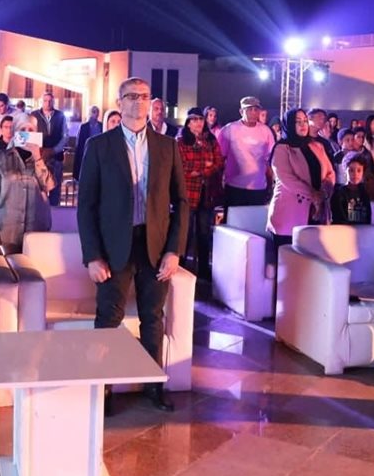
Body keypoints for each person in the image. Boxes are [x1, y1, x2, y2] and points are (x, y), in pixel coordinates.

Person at [76, 76, 188, 415]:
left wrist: (174, 250)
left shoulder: (167, 146)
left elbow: (182, 202)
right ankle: (103, 389)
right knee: (108, 320)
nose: (139, 102)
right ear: (119, 102)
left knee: (153, 318)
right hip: (114, 249)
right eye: (131, 96)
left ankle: (153, 386)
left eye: (144, 96)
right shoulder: (99, 145)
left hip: (155, 247)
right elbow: (86, 206)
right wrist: (92, 256)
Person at [267, 108, 335, 249]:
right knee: (287, 257)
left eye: (305, 121)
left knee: (312, 255)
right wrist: (313, 194)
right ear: (290, 124)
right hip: (289, 212)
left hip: (316, 210)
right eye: (298, 122)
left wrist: (323, 192)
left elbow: (330, 172)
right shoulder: (281, 148)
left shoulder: (317, 145)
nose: (303, 125)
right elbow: (287, 178)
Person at [0, 113, 54, 253]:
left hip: (36, 231)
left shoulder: (44, 158)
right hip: (8, 231)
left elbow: (48, 186)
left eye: (31, 130)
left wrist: (37, 158)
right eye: (23, 129)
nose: (27, 134)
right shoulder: (1, 158)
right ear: (16, 132)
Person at [177, 110, 224, 280]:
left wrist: (200, 170)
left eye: (201, 119)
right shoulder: (181, 141)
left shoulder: (211, 140)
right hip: (188, 193)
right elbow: (182, 167)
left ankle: (204, 270)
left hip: (206, 194)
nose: (198, 122)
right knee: (186, 233)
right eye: (194, 119)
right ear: (188, 123)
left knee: (204, 233)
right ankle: (181, 269)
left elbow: (218, 162)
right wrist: (205, 166)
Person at [217, 96, 276, 207]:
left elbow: (269, 160)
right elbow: (220, 158)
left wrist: (270, 184)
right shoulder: (229, 130)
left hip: (258, 187)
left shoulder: (266, 131)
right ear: (241, 111)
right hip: (234, 187)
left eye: (256, 109)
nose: (253, 112)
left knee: (255, 218)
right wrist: (219, 183)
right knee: (234, 217)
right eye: (249, 109)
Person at [33, 91, 67, 205]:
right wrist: (39, 151)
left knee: (55, 191)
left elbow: (65, 136)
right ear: (41, 102)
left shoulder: (60, 116)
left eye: (50, 101)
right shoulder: (34, 115)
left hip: (56, 158)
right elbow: (30, 134)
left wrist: (54, 150)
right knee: (38, 190)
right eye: (45, 101)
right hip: (39, 158)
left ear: (53, 102)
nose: (47, 103)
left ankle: (54, 214)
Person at [330, 155, 372, 225]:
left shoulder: (364, 193)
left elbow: (368, 217)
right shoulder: (339, 194)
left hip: (363, 230)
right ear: (345, 171)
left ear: (363, 173)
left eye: (359, 170)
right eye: (351, 170)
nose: (355, 174)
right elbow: (339, 219)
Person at [74, 105, 102, 175]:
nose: (95, 114)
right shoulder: (84, 127)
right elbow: (80, 144)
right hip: (87, 153)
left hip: (99, 154)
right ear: (89, 113)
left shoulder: (101, 126)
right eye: (93, 111)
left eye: (96, 112)